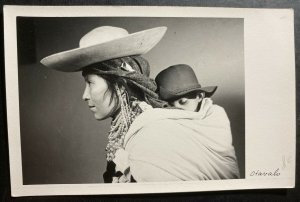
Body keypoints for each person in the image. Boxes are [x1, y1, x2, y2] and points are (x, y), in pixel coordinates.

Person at [41, 26, 239, 183]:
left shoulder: (151, 133)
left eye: (90, 83)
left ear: (120, 85)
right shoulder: (139, 127)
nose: (85, 95)